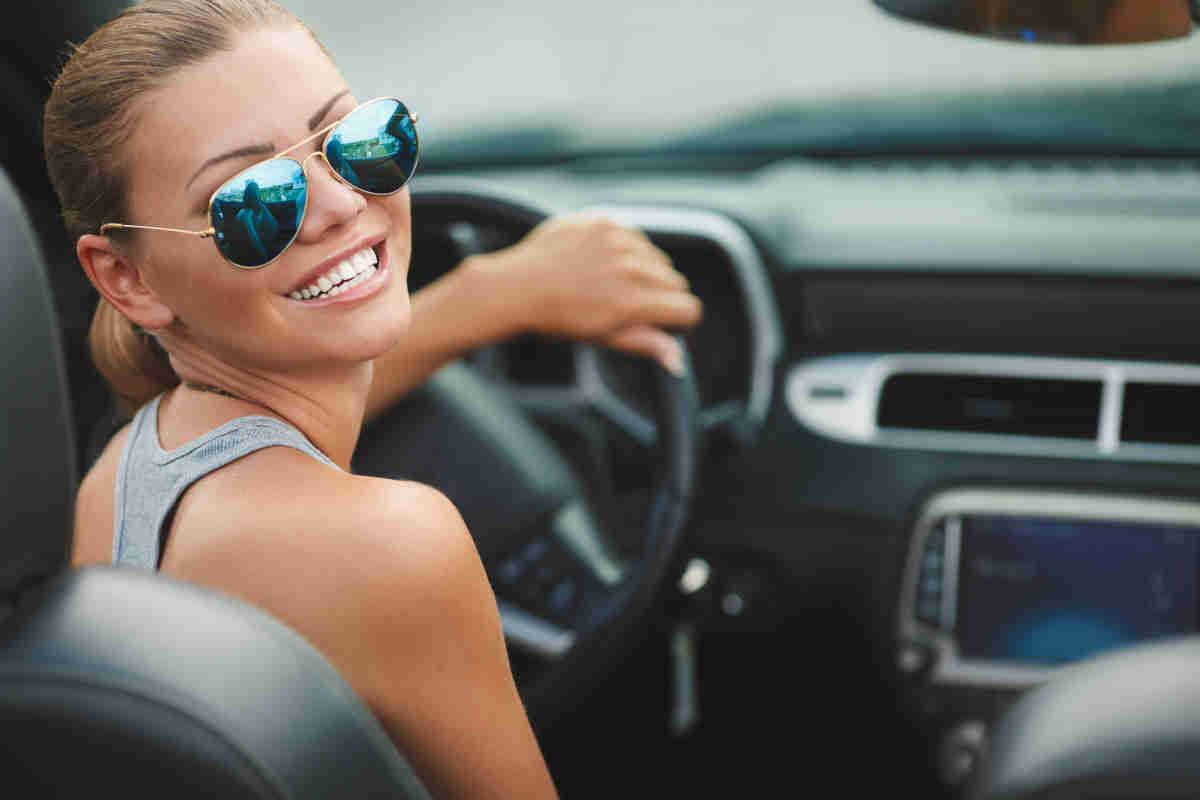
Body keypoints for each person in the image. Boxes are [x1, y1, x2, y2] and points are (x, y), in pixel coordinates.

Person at [49, 1, 702, 797]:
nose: (339, 205)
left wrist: (491, 299)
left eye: (357, 142)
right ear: (127, 279)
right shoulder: (392, 546)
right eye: (251, 202)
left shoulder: (124, 474)